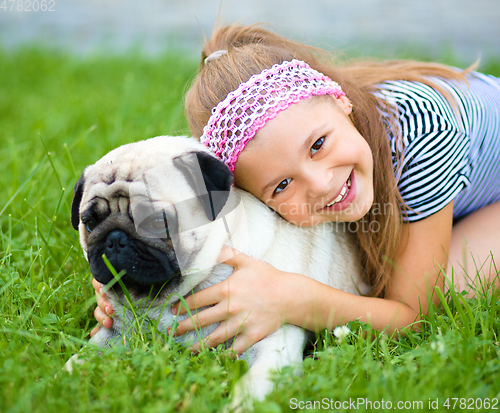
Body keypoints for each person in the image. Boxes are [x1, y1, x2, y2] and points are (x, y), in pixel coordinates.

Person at [91, 24, 500, 355]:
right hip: (455, 184)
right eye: (282, 184)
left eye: (318, 144)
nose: (322, 183)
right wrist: (122, 270)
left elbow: (411, 316)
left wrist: (295, 297)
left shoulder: (423, 135)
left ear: (340, 102)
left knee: (445, 288)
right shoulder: (284, 162)